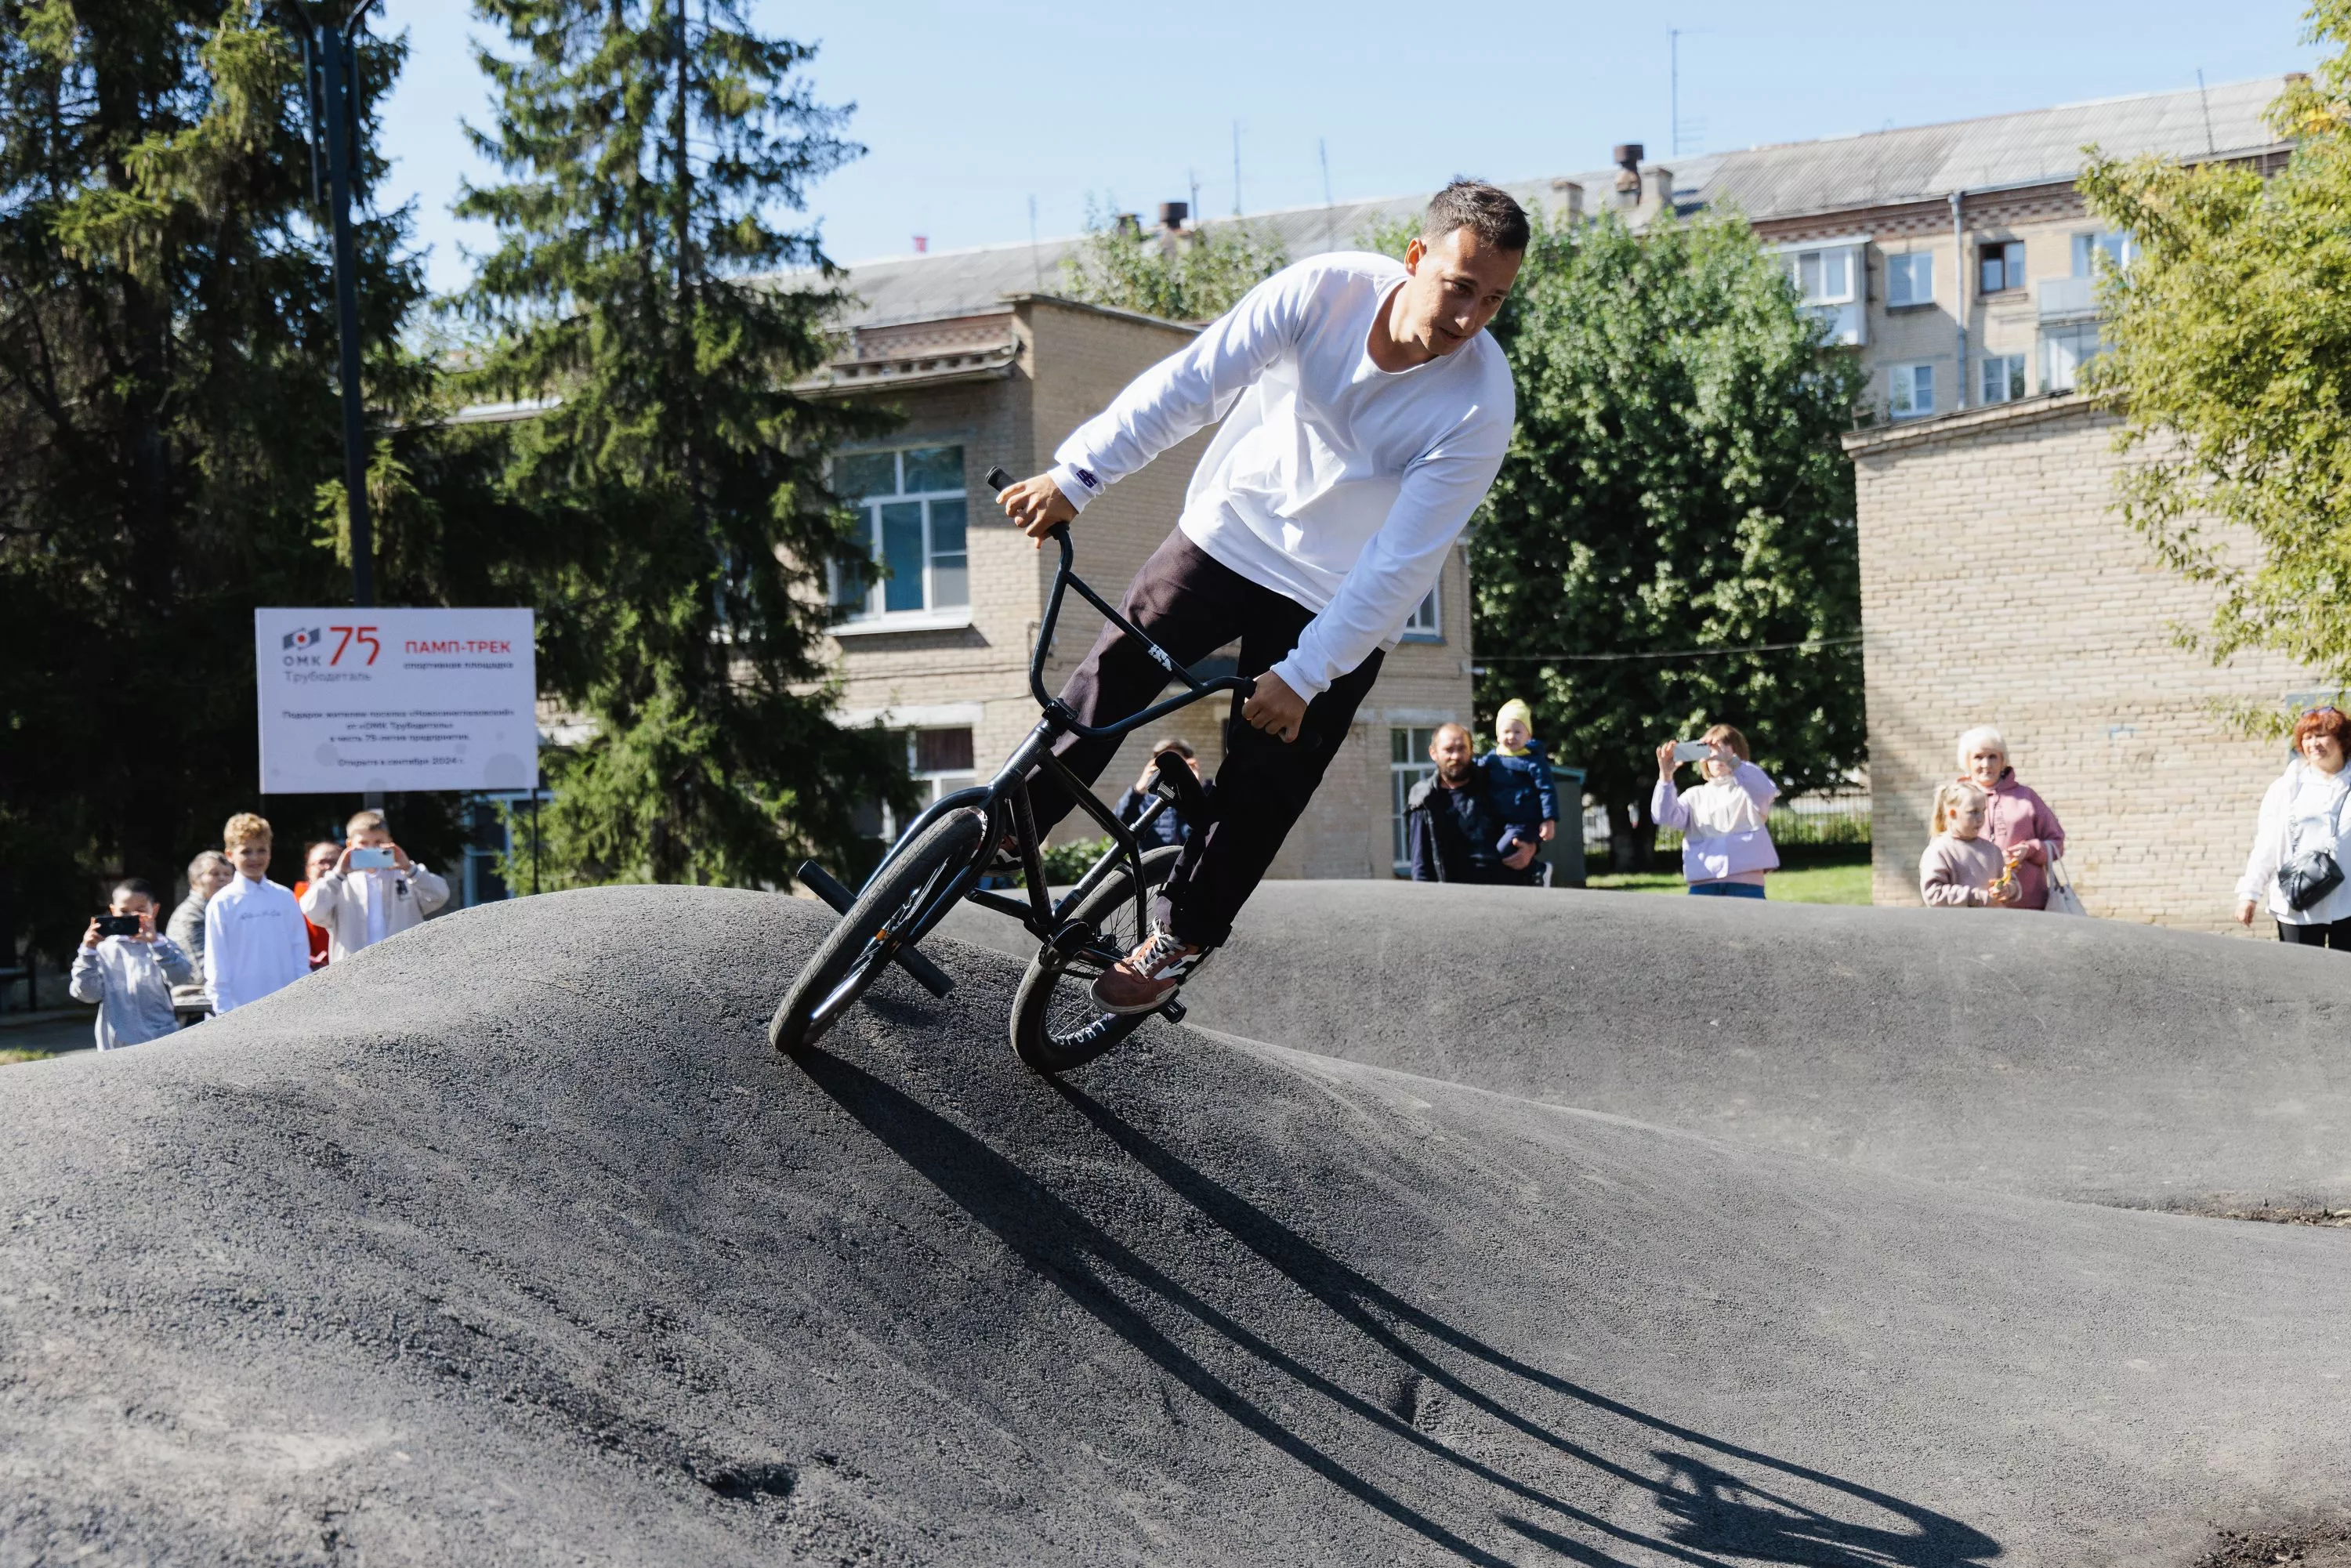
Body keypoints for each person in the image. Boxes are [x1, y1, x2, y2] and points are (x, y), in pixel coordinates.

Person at [995, 179, 1527, 1012]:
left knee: (1267, 777)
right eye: (1461, 287)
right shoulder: (1324, 292)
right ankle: (1003, 831)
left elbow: (1403, 564)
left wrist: (1307, 675)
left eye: (1494, 300)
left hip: (1338, 600)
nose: (1470, 319)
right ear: (1416, 258)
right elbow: (1191, 384)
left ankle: (1182, 936)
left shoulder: (1480, 404)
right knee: (1115, 671)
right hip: (1230, 534)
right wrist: (1080, 473)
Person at [2235, 704, 2351, 945]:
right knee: (2302, 977)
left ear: (2341, 740)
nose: (2313, 744)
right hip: (2299, 900)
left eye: (2321, 735)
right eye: (2307, 738)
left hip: (2347, 900)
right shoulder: (2286, 789)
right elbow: (2267, 843)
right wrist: (2250, 894)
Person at [299, 809, 451, 961]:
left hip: (403, 968)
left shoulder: (406, 877)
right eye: (363, 843)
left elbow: (439, 895)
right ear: (350, 844)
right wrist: (338, 873)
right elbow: (311, 910)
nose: (371, 849)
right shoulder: (339, 883)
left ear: (390, 843)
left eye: (378, 843)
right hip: (352, 973)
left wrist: (409, 868)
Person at [1405, 722, 1543, 885]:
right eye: (1449, 750)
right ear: (1433, 753)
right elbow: (1420, 864)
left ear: (1471, 750)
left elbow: (1530, 815)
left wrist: (1531, 847)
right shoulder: (1424, 798)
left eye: (1462, 749)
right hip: (1452, 900)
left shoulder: (1495, 783)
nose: (1456, 756)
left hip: (1504, 893)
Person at [1652, 724, 1780, 898]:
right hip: (1703, 883)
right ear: (1703, 758)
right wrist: (1665, 777)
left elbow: (1766, 791)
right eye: (1710, 751)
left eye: (1723, 750)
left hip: (1746, 883)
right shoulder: (1695, 795)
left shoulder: (1748, 790)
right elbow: (1664, 816)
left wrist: (1733, 762)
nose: (1717, 757)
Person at [69, 878, 197, 1049]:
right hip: (116, 1044)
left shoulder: (163, 946)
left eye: (139, 911)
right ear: (113, 911)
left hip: (162, 1039)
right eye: (124, 912)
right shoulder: (103, 950)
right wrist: (87, 952)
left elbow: (182, 978)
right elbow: (88, 995)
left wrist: (157, 945)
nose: (131, 918)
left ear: (154, 910)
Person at [204, 813, 311, 1014]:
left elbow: (300, 953)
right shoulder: (222, 903)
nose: (255, 858)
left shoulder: (284, 897)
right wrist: (223, 1011)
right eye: (246, 851)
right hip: (239, 1010)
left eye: (261, 850)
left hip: (288, 1007)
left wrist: (303, 1000)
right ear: (229, 855)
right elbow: (216, 963)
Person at [1956, 726, 2067, 911]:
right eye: (1978, 757)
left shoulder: (2027, 797)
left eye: (1993, 757)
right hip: (1975, 905)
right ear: (1967, 761)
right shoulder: (1955, 799)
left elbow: (2057, 843)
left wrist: (2030, 849)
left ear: (2003, 760)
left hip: (2030, 906)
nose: (1986, 764)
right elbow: (1943, 842)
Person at [1480, 697, 1559, 863]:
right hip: (1500, 821)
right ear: (1497, 735)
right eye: (1506, 731)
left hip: (1524, 822)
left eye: (1517, 732)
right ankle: (1533, 874)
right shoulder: (1493, 758)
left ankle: (1539, 871)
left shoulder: (1533, 762)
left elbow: (1546, 791)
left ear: (1528, 736)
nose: (1511, 737)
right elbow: (1476, 768)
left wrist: (1549, 820)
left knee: (1501, 852)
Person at [1919, 782, 2020, 908]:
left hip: (1994, 924)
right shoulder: (1939, 850)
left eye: (1983, 811)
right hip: (1959, 926)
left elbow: (2011, 881)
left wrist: (2008, 889)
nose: (1980, 818)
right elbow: (1933, 894)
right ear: (1952, 814)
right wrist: (1977, 898)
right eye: (1973, 812)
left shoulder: (1992, 850)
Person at [1114, 738, 1201, 849]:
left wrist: (1194, 787)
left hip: (1188, 862)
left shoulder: (1204, 791)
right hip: (1152, 863)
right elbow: (1117, 824)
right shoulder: (1145, 801)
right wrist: (1140, 787)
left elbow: (1204, 828)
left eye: (1177, 763)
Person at [165, 849, 234, 970]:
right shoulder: (190, 916)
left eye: (227, 874)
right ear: (195, 881)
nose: (222, 878)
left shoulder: (227, 911)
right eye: (214, 874)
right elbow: (201, 971)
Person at [292, 840, 339, 970]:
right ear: (308, 870)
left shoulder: (356, 899)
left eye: (334, 862)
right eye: (321, 862)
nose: (327, 867)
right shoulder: (292, 902)